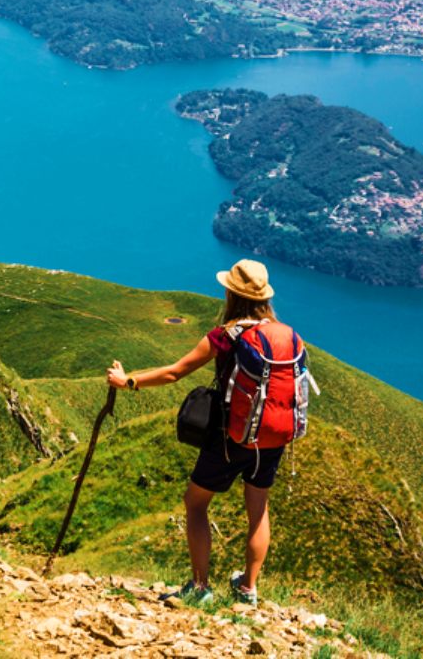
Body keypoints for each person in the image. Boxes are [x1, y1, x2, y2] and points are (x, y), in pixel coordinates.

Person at [106, 258, 295, 607]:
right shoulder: (285, 334)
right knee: (258, 510)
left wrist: (127, 381)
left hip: (230, 438)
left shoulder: (225, 336)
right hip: (272, 437)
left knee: (195, 504)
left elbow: (174, 372)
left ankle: (200, 586)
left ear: (232, 294)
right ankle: (248, 589)